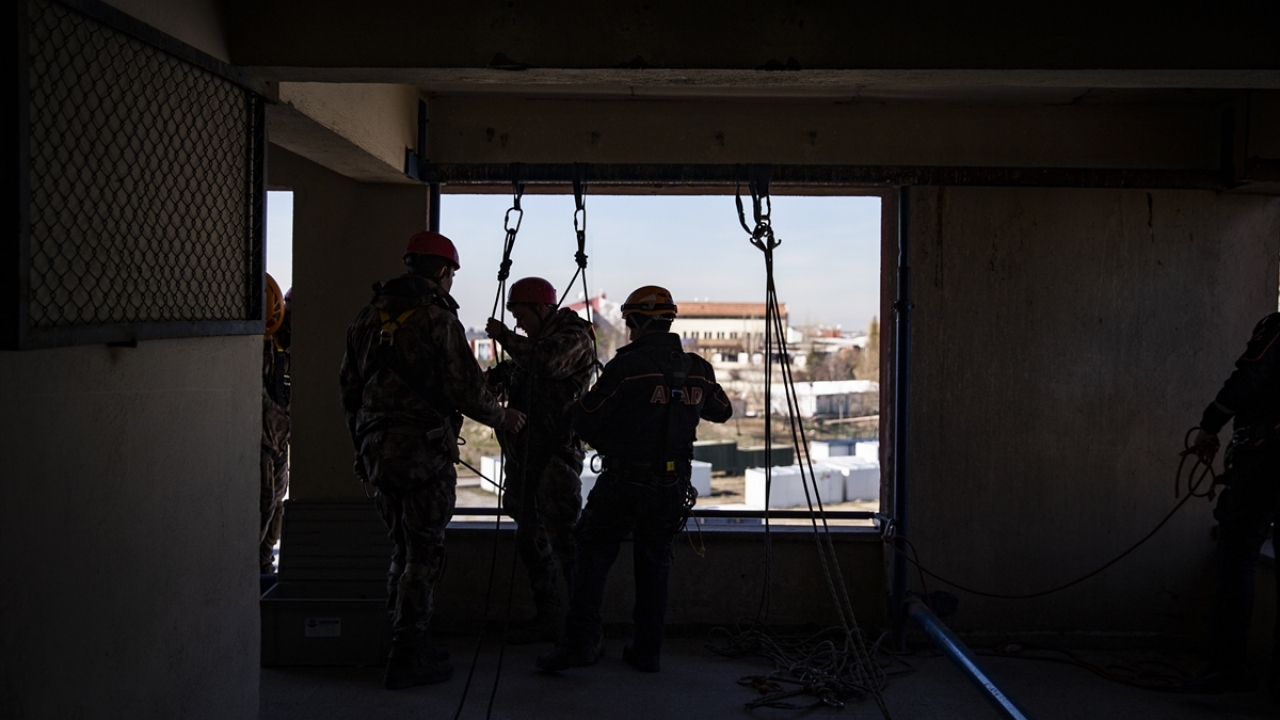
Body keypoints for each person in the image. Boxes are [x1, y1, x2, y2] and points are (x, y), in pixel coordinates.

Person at [339, 230, 526, 690]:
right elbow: (467, 390)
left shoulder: (367, 317)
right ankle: (408, 654)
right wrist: (504, 417)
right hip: (422, 454)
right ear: (443, 271)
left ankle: (402, 643)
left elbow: (349, 391)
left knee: (402, 548)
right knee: (423, 555)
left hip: (377, 451)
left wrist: (361, 449)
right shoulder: (437, 320)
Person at [536, 285, 733, 673]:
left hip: (625, 479)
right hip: (673, 485)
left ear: (637, 322)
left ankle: (579, 645)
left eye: (629, 323)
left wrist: (614, 441)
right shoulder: (698, 369)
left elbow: (585, 418)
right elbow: (721, 411)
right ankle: (647, 651)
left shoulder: (627, 368)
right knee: (655, 564)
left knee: (592, 557)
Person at [484, 277, 597, 644]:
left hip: (556, 457)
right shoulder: (532, 346)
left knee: (565, 542)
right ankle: (548, 616)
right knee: (530, 539)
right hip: (526, 457)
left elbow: (548, 363)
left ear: (542, 308)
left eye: (521, 316)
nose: (518, 325)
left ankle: (584, 627)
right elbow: (508, 375)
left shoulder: (573, 337)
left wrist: (504, 337)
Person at [1186, 311, 1280, 700]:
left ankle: (1227, 669)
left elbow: (1247, 379)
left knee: (1238, 554)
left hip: (1265, 459)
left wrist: (1210, 425)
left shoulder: (1278, 330)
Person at [261, 286, 291, 575]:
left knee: (276, 504)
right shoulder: (265, 345)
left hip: (279, 441)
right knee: (265, 504)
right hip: (264, 441)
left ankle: (264, 564)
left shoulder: (293, 348)